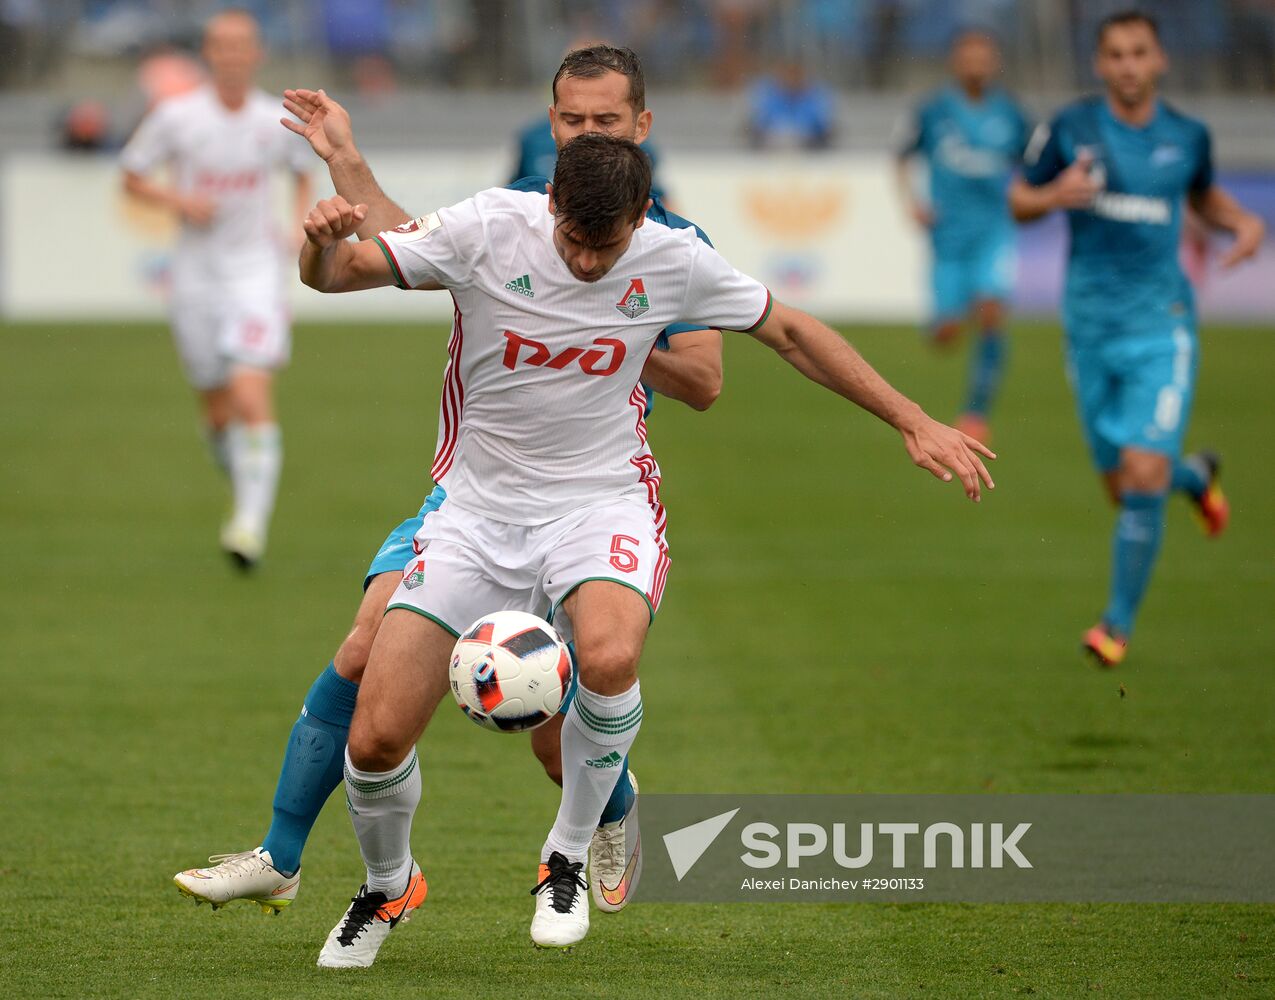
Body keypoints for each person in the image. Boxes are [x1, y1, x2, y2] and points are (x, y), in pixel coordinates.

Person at [298, 134, 994, 966]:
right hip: (475, 516)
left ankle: (564, 856)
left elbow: (795, 334)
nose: (590, 262)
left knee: (608, 653)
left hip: (601, 504)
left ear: (639, 218)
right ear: (552, 205)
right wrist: (318, 238)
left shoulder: (673, 257)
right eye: (575, 241)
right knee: (375, 740)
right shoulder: (486, 227)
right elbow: (334, 277)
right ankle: (386, 887)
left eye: (609, 244)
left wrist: (912, 419)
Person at [173, 45, 723, 919]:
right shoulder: (523, 197)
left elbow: (701, 378)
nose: (585, 135)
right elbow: (427, 246)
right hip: (472, 494)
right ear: (551, 123)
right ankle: (282, 855)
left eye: (605, 123)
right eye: (572, 121)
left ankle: (609, 813)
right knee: (362, 653)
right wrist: (344, 162)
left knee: (556, 738)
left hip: (584, 502)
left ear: (640, 128)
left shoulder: (668, 238)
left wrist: (588, 320)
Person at [1009, 10, 1263, 667]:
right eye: (1114, 55)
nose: (1126, 65)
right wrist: (1052, 195)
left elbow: (1201, 196)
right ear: (1099, 64)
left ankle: (1113, 626)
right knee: (1126, 489)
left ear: (1159, 62)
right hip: (1089, 329)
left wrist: (1242, 222)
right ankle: (1195, 477)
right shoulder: (1070, 129)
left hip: (1161, 325)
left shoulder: (1186, 135)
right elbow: (1016, 199)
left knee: (1140, 472)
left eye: (1137, 53)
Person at [121, 9, 313, 568]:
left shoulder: (272, 119)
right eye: (221, 45)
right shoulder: (177, 117)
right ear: (208, 54)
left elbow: (302, 168)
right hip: (195, 276)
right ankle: (244, 488)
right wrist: (179, 202)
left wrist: (297, 221)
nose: (232, 55)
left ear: (257, 54)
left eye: (242, 45)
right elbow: (133, 174)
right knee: (216, 407)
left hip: (255, 273)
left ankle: (248, 526)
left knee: (251, 393)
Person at [896, 28, 1032, 444]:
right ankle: (950, 317)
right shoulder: (933, 111)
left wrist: (1028, 199)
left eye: (983, 57)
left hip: (993, 232)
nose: (976, 64)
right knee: (945, 333)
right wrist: (912, 203)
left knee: (992, 312)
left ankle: (975, 412)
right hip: (948, 238)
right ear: (955, 62)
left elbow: (1036, 164)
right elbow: (901, 157)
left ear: (994, 63)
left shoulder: (1011, 114)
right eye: (968, 56)